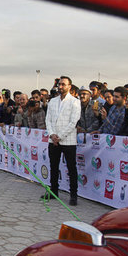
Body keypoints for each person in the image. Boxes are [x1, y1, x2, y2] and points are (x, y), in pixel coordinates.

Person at [44, 76, 82, 206]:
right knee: (53, 166)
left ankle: (73, 195)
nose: (60, 87)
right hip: (53, 140)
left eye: (63, 84)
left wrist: (59, 136)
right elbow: (48, 120)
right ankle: (53, 191)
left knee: (71, 168)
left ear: (69, 86)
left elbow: (73, 122)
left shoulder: (75, 102)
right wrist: (52, 135)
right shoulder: (52, 101)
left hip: (68, 141)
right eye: (59, 84)